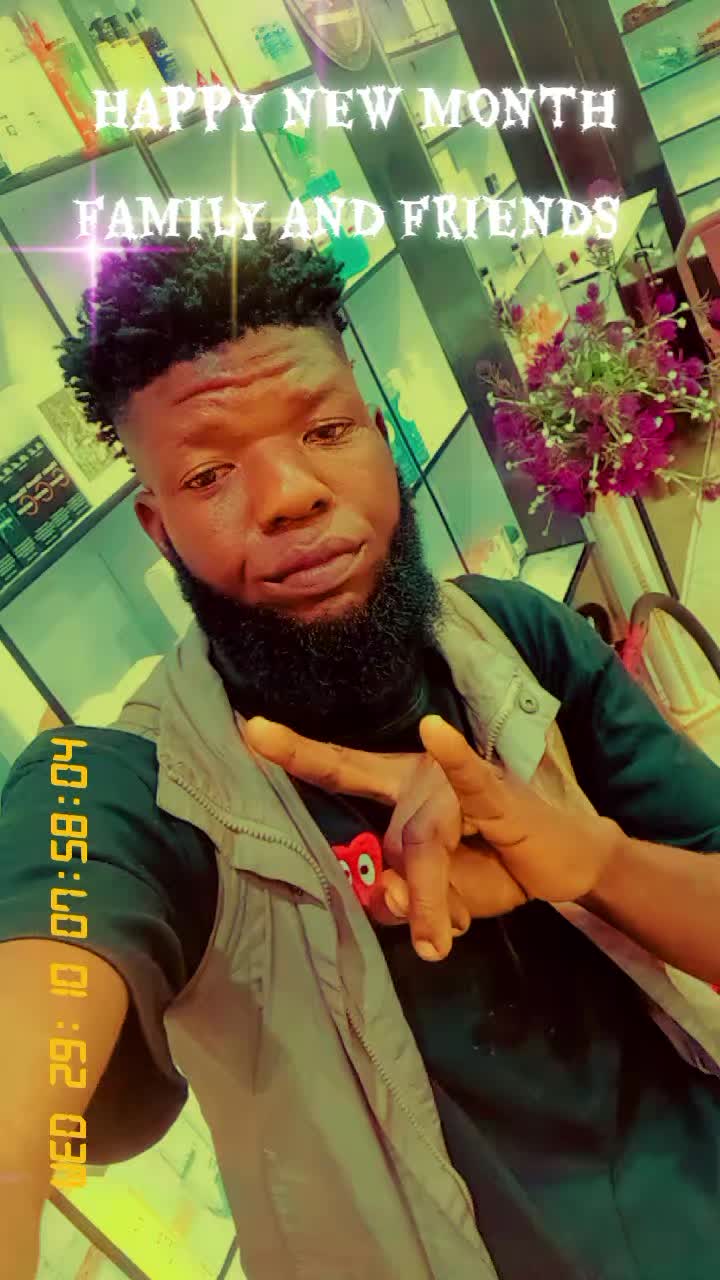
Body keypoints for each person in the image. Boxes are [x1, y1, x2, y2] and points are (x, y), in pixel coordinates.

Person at [1, 227, 719, 1280]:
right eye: (209, 473)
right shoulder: (125, 788)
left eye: (326, 429)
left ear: (382, 435)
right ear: (159, 531)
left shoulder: (514, 637)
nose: (288, 493)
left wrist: (593, 860)